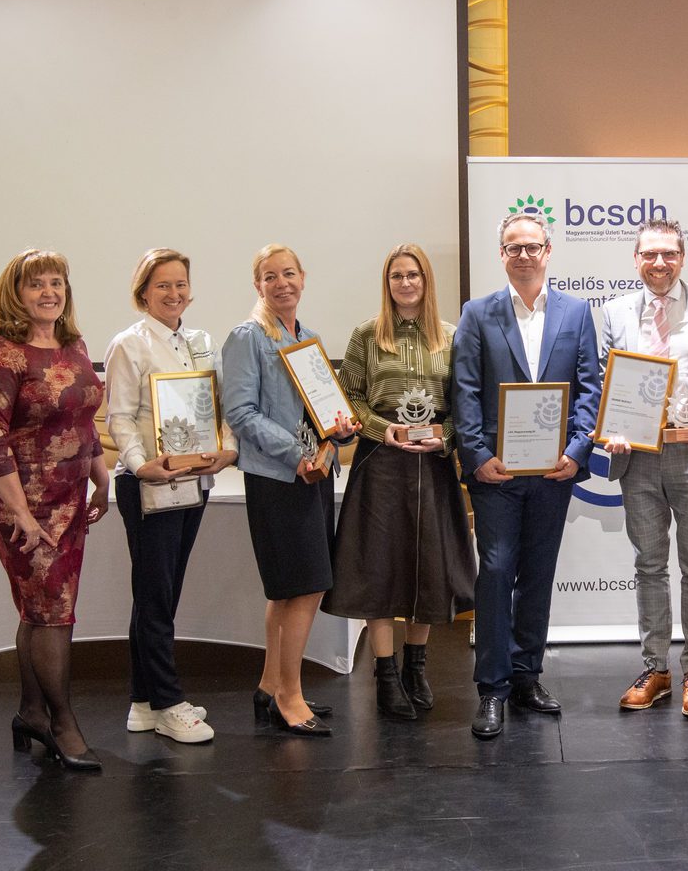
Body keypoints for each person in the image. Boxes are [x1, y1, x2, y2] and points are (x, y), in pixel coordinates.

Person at [452, 211, 601, 739]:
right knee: (496, 571)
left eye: (532, 246)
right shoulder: (477, 313)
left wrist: (578, 451)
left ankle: (525, 676)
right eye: (513, 247)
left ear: (548, 251)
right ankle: (491, 688)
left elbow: (590, 387)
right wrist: (476, 455)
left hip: (555, 471)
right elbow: (465, 390)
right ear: (502, 255)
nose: (523, 255)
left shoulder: (576, 312)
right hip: (495, 471)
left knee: (538, 574)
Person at [322, 244, 475, 720]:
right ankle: (385, 675)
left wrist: (447, 436)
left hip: (432, 464)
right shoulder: (366, 335)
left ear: (426, 281)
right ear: (386, 284)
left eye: (413, 275)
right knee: (380, 568)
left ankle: (416, 668)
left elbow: (464, 402)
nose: (405, 283)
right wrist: (379, 428)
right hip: (381, 461)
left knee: (427, 567)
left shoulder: (452, 336)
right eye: (396, 276)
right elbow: (348, 396)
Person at [600, 218, 688, 718]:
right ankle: (655, 669)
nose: (659, 263)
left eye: (668, 254)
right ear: (636, 259)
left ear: (683, 257)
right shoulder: (614, 311)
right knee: (648, 566)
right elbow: (603, 380)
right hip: (638, 458)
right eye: (649, 254)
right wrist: (612, 425)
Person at [0, 249, 110, 771]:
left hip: (70, 497)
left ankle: (31, 713)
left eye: (56, 282)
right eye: (36, 284)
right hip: (22, 502)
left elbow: (83, 420)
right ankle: (62, 724)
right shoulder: (3, 355)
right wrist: (22, 515)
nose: (49, 292)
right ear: (16, 294)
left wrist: (101, 479)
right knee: (52, 611)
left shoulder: (73, 345)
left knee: (43, 609)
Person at [222, 244, 357, 738]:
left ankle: (270, 685)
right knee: (303, 585)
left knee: (289, 590)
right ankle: (290, 697)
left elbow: (320, 412)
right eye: (270, 276)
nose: (282, 283)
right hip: (278, 478)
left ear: (303, 278)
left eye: (289, 273)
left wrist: (340, 430)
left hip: (314, 475)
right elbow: (240, 412)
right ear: (257, 285)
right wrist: (294, 453)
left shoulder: (309, 339)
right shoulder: (247, 337)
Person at [104, 248, 237, 744]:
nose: (174, 293)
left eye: (181, 284)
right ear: (143, 292)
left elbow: (219, 404)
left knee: (160, 594)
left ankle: (143, 702)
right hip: (148, 484)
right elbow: (119, 417)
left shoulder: (200, 342)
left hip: (193, 481)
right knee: (156, 596)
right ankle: (167, 702)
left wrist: (227, 449)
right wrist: (143, 466)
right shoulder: (129, 344)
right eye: (163, 285)